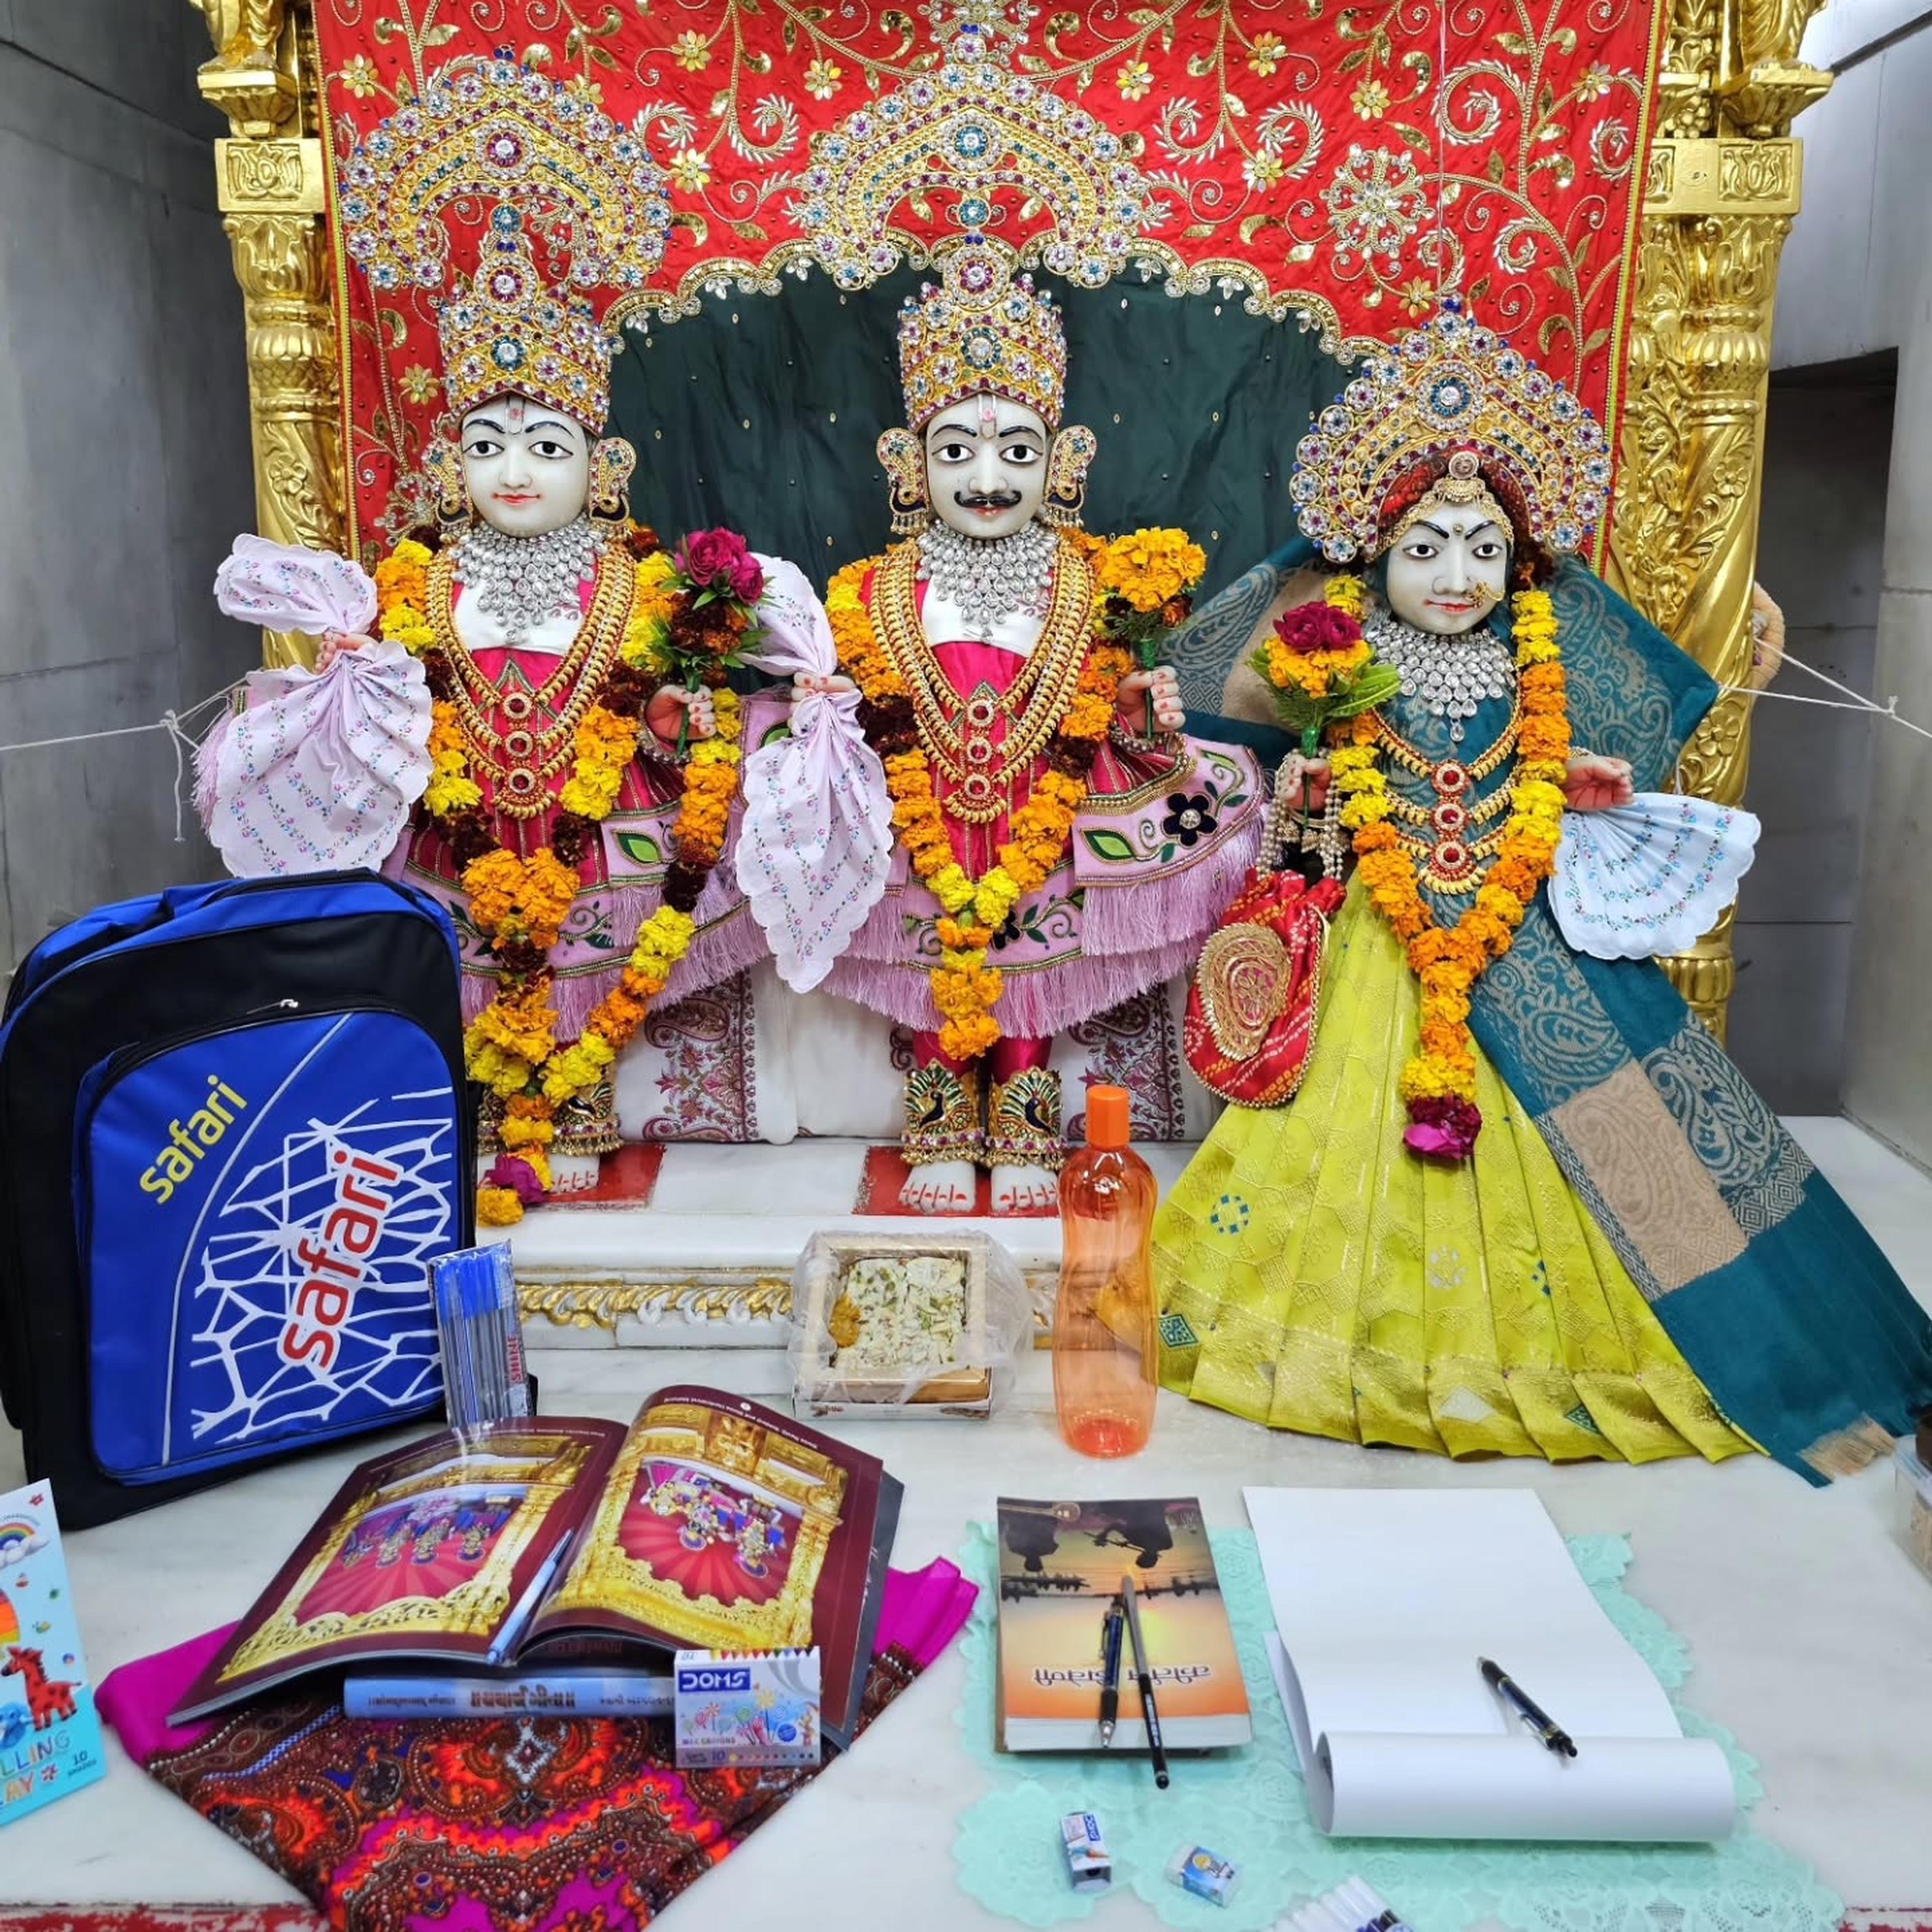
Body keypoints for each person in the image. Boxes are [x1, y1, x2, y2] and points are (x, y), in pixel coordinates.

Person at [1155, 303, 1932, 1483]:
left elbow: (1552, 751)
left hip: (1526, 933)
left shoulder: (1539, 645)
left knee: (1649, 1156)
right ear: (1372, 556)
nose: (1454, 575)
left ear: (1521, 562)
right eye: (1425, 547)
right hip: (1379, 931)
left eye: (1481, 548)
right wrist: (1308, 776)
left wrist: (1570, 779)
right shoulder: (1332, 647)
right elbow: (1237, 740)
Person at [206, 58, 785, 1216]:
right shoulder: (408, 588)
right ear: (449, 463)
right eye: (487, 445)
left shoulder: (644, 586)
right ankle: (478, 1102)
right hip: (457, 839)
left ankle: (580, 1087)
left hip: (600, 832)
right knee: (466, 967)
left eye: (546, 446)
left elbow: (684, 715)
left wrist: (678, 720)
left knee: (603, 950)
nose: (514, 470)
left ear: (604, 466)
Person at [800, 240, 1265, 1214]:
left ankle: (1022, 1117)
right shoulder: (868, 590)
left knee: (1033, 961)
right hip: (918, 810)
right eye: (956, 451)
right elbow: (853, 701)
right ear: (909, 464)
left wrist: (1141, 715)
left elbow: (1108, 704)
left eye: (1018, 451)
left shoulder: (1094, 582)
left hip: (1046, 805)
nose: (988, 477)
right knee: (934, 957)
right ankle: (938, 1120)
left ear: (1064, 461)